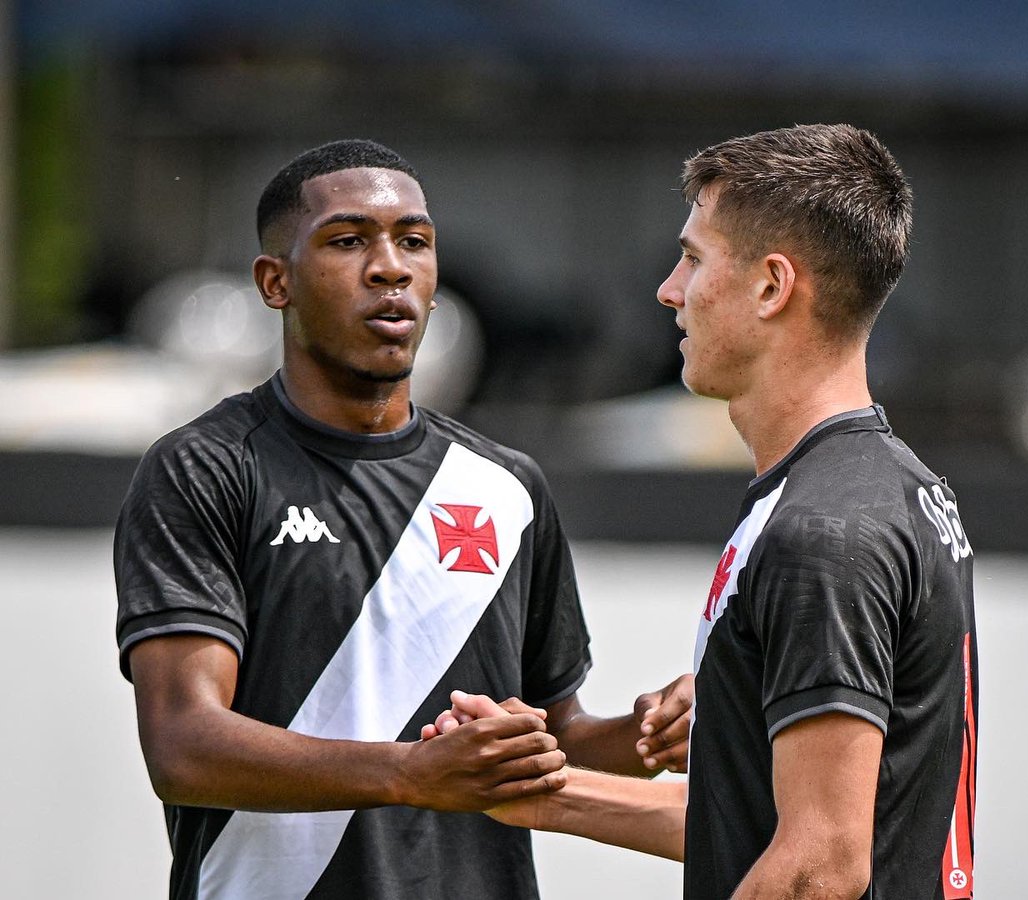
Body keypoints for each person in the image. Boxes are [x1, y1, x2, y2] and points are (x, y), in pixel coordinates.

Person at [113, 138, 693, 900]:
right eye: (347, 241)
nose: (389, 267)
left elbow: (552, 739)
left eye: (413, 242)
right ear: (275, 282)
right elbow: (184, 748)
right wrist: (409, 773)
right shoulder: (207, 468)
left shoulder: (506, 487)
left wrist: (647, 736)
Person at [427, 124, 980, 899]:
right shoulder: (885, 486)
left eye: (692, 258)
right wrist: (543, 792)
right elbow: (762, 830)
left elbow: (820, 864)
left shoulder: (823, 531)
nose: (669, 289)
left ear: (772, 286)